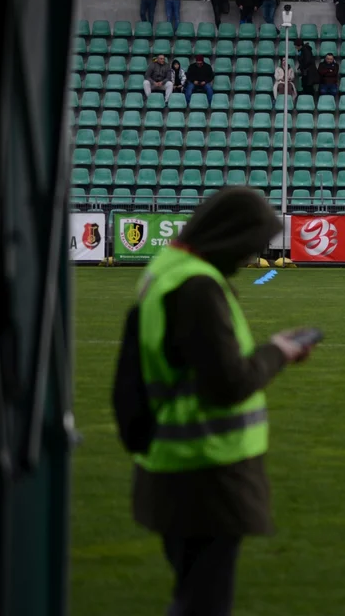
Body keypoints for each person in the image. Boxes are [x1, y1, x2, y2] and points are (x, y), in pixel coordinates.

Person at [117, 187, 318, 616]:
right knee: (203, 602)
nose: (249, 257)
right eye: (248, 245)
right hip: (204, 469)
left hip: (173, 463)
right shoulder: (197, 287)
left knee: (193, 592)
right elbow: (228, 382)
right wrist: (278, 352)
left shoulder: (167, 270)